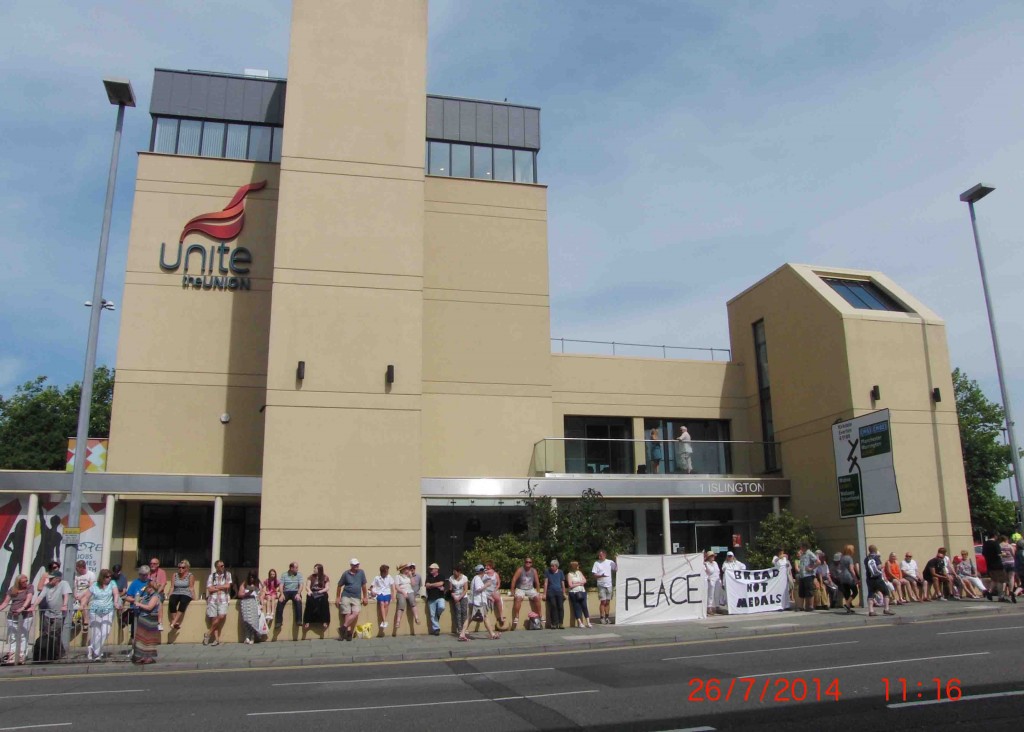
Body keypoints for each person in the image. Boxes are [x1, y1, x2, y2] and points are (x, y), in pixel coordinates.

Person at [82, 568, 120, 660]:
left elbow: (116, 593)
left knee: (105, 632)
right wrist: (83, 604)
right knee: (96, 633)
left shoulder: (112, 583)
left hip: (108, 610)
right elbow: (86, 596)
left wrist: (115, 602)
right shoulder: (95, 585)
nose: (109, 578)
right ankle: (97, 654)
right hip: (95, 611)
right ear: (102, 577)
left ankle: (93, 648)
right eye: (107, 577)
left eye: (110, 576)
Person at [34, 570, 70, 661]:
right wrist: (33, 606)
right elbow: (40, 597)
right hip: (48, 613)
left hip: (59, 614)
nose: (49, 579)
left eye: (51, 578)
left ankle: (57, 653)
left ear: (57, 579)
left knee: (54, 634)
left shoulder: (63, 584)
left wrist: (65, 605)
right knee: (47, 633)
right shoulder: (47, 586)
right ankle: (54, 652)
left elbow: (66, 595)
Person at [0, 575, 33, 665]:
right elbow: (6, 602)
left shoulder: (29, 587)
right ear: (18, 582)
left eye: (26, 581)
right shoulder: (12, 589)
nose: (25, 583)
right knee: (13, 636)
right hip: (12, 615)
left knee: (23, 636)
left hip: (25, 615)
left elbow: (29, 598)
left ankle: (22, 655)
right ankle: (12, 654)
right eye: (23, 582)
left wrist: (22, 608)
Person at [131, 576, 162, 665]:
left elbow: (149, 607)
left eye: (147, 587)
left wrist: (139, 604)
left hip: (150, 619)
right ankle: (142, 656)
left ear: (151, 588)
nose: (146, 589)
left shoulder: (155, 596)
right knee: (142, 639)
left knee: (149, 640)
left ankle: (148, 657)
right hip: (143, 618)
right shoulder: (147, 596)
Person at [336, 558, 368, 641]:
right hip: (346, 595)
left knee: (355, 613)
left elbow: (364, 585)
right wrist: (338, 597)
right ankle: (348, 633)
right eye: (354, 565)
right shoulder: (346, 574)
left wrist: (365, 597)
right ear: (351, 565)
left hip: (356, 596)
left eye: (357, 564)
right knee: (347, 613)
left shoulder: (361, 572)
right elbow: (339, 585)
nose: (356, 566)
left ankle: (343, 628)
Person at [509, 557, 542, 631]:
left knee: (537, 597)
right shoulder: (520, 570)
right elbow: (514, 579)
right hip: (521, 589)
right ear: (524, 562)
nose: (528, 563)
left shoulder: (534, 571)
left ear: (532, 563)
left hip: (530, 589)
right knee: (518, 598)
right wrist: (512, 591)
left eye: (530, 562)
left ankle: (540, 615)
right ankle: (516, 616)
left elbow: (537, 582)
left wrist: (538, 592)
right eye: (527, 562)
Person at [204, 559, 232, 645]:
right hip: (213, 599)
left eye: (223, 565)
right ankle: (216, 639)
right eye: (221, 566)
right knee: (214, 619)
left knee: (221, 616)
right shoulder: (211, 576)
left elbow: (228, 586)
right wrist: (220, 587)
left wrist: (216, 587)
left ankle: (208, 633)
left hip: (223, 599)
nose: (223, 567)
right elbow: (209, 588)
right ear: (216, 567)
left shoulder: (227, 574)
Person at [864, 545, 895, 616]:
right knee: (886, 592)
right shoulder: (876, 558)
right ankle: (886, 609)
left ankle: (871, 611)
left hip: (869, 579)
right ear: (875, 550)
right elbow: (879, 567)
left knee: (871, 594)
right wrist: (883, 566)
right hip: (877, 578)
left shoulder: (866, 559)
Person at [470, 564, 499, 639]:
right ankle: (462, 633)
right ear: (480, 571)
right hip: (477, 602)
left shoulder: (479, 578)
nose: (484, 572)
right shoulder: (477, 578)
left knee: (483, 617)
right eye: (483, 570)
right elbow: (478, 589)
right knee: (470, 618)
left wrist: (488, 597)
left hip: (479, 601)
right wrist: (486, 585)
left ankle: (492, 634)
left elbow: (482, 591)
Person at [122, 565, 151, 640]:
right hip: (137, 611)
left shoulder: (151, 582)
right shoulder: (135, 583)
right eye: (142, 575)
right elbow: (127, 597)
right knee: (135, 631)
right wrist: (136, 600)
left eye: (146, 575)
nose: (144, 577)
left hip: (148, 611)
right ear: (139, 574)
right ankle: (134, 647)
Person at [167, 559, 196, 631]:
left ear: (187, 568)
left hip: (186, 593)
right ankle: (176, 622)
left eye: (183, 567)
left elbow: (191, 587)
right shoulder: (175, 575)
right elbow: (172, 587)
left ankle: (173, 622)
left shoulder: (190, 575)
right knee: (172, 602)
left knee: (183, 601)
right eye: (179, 567)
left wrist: (194, 597)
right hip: (176, 592)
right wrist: (169, 595)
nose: (180, 569)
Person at [392, 564, 421, 634]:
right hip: (401, 591)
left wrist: (411, 576)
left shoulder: (409, 576)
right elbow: (397, 587)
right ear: (402, 569)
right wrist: (403, 592)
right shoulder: (398, 576)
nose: (408, 569)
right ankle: (398, 621)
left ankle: (416, 618)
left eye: (408, 568)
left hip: (410, 590)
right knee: (401, 604)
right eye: (406, 568)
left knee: (412, 601)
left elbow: (413, 584)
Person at [302, 563, 331, 632]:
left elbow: (327, 587)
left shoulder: (325, 577)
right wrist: (309, 591)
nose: (314, 570)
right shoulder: (311, 577)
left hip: (321, 592)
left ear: (319, 569)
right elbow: (307, 586)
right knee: (309, 601)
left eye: (315, 568)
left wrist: (321, 591)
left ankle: (324, 621)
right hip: (313, 592)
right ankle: (307, 621)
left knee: (324, 602)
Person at [591, 549, 616, 624]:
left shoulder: (610, 562)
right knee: (603, 601)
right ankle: (602, 617)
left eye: (601, 555)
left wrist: (616, 560)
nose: (599, 557)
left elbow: (615, 569)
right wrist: (600, 575)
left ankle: (607, 617)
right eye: (599, 555)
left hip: (609, 585)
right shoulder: (596, 563)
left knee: (608, 602)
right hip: (601, 585)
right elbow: (594, 575)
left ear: (605, 555)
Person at [276, 562, 304, 626]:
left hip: (295, 591)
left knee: (298, 601)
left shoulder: (299, 575)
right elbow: (281, 585)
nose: (297, 569)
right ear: (291, 568)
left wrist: (298, 593)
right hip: (286, 591)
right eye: (296, 568)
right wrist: (282, 594)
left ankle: (299, 620)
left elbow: (301, 585)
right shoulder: (284, 575)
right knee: (280, 602)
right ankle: (279, 622)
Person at [238, 571, 262, 644]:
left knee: (253, 621)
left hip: (254, 603)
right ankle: (247, 636)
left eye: (253, 577)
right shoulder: (244, 584)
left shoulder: (257, 584)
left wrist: (261, 602)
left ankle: (252, 636)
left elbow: (261, 593)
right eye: (251, 577)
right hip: (245, 603)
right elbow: (239, 594)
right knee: (246, 620)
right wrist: (247, 593)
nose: (252, 578)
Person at [982, 531, 1007, 601]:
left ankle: (989, 592)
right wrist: (1004, 554)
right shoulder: (995, 543)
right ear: (995, 536)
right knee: (1001, 580)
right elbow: (999, 554)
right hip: (997, 565)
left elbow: (983, 553)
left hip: (989, 564)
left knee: (994, 579)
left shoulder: (985, 543)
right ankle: (1001, 596)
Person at [566, 560, 591, 628]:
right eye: (577, 565)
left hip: (582, 591)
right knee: (577, 607)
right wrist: (580, 583)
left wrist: (576, 583)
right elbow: (570, 585)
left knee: (584, 606)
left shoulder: (579, 572)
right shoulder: (569, 574)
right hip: (574, 592)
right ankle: (580, 622)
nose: (578, 567)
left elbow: (584, 580)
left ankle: (588, 622)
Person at [424, 562, 446, 636]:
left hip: (440, 596)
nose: (430, 570)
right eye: (430, 569)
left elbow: (441, 583)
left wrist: (432, 585)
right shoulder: (428, 577)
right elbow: (426, 585)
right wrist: (435, 585)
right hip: (431, 598)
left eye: (432, 569)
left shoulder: (441, 576)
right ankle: (436, 629)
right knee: (432, 615)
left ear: (436, 569)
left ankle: (438, 614)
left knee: (441, 607)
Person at [370, 564, 394, 632]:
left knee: (386, 603)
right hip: (380, 592)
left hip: (387, 592)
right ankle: (384, 620)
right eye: (386, 571)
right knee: (381, 603)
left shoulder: (389, 577)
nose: (387, 572)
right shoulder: (377, 578)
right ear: (383, 572)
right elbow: (371, 587)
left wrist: (393, 595)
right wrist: (372, 592)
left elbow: (392, 586)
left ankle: (383, 621)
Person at [448, 565, 470, 640]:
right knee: (458, 611)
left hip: (463, 596)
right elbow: (450, 589)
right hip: (455, 596)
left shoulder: (464, 578)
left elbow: (465, 589)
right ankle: (459, 628)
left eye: (455, 571)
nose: (454, 572)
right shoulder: (451, 578)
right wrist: (454, 596)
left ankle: (465, 628)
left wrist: (460, 597)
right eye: (453, 571)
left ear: (459, 571)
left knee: (464, 611)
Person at [72, 559, 96, 629]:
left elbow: (91, 587)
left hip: (87, 593)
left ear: (82, 568)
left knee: (83, 601)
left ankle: (86, 621)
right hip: (77, 593)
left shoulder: (91, 574)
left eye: (77, 568)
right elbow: (74, 586)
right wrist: (75, 594)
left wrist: (81, 595)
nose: (76, 570)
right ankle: (75, 619)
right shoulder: (76, 575)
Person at [544, 559, 566, 629]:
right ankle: (553, 623)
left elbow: (562, 583)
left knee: (560, 607)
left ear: (557, 566)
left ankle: (560, 623)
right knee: (553, 606)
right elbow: (546, 583)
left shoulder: (560, 572)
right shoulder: (548, 572)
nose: (551, 567)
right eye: (551, 566)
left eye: (553, 566)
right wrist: (544, 593)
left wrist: (564, 593)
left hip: (559, 591)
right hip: (551, 591)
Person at [148, 557, 168, 631]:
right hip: (148, 593)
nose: (152, 565)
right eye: (151, 563)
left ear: (158, 565)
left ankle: (160, 623)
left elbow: (162, 586)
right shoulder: (147, 572)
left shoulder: (161, 572)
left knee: (158, 600)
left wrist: (155, 588)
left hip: (159, 593)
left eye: (154, 563)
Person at [837, 545, 859, 614]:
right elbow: (851, 569)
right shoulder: (849, 558)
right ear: (850, 551)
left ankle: (848, 608)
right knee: (855, 591)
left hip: (842, 576)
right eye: (853, 549)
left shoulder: (842, 558)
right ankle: (847, 604)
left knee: (847, 592)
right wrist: (855, 578)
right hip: (848, 576)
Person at [484, 561, 505, 629]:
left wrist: (495, 590)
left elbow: (498, 584)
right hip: (486, 590)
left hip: (493, 589)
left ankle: (501, 616)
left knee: (498, 599)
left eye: (488, 566)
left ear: (491, 566)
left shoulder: (495, 574)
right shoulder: (484, 574)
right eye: (486, 566)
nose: (486, 567)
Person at [796, 543, 817, 612]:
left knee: (809, 590)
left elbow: (818, 561)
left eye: (801, 547)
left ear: (805, 547)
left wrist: (811, 568)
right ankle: (801, 606)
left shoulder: (810, 553)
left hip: (808, 575)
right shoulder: (802, 554)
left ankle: (810, 606)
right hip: (802, 575)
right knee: (801, 591)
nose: (800, 548)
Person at [999, 535, 1017, 600]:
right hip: (1011, 562)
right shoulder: (1010, 546)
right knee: (1011, 578)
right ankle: (1011, 592)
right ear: (1006, 539)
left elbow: (998, 554)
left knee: (1004, 579)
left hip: (1003, 563)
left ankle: (1002, 594)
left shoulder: (999, 546)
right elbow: (1013, 554)